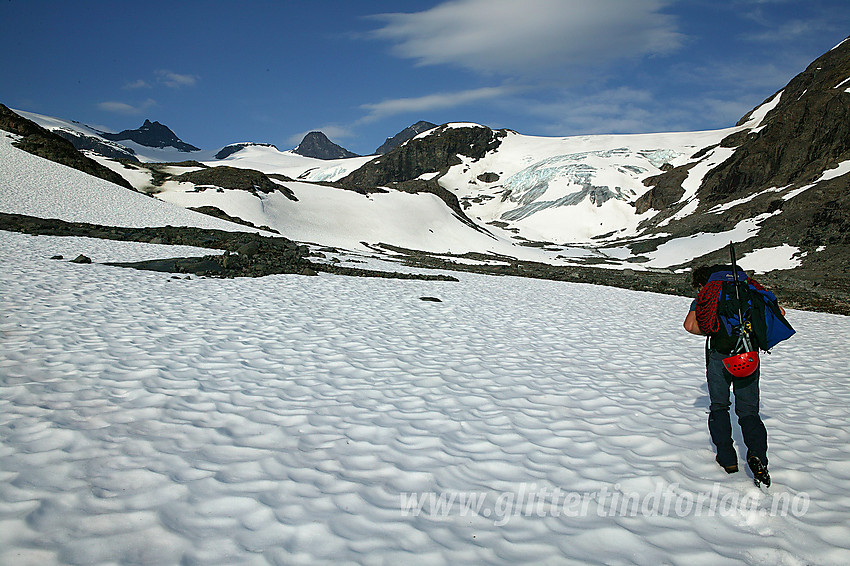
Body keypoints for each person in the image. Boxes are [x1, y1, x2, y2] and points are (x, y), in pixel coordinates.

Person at [683, 265, 781, 485]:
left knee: (719, 406)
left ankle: (727, 459)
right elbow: (779, 313)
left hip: (719, 356)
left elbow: (690, 326)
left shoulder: (709, 292)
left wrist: (713, 329)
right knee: (749, 411)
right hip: (748, 356)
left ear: (702, 283)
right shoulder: (748, 289)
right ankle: (757, 456)